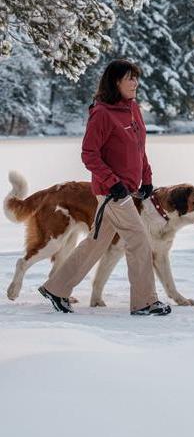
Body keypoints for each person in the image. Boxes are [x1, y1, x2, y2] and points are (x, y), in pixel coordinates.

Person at [39, 59, 171, 316]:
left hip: (127, 189)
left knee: (97, 242)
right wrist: (113, 183)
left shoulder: (133, 109)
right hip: (113, 193)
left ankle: (57, 287)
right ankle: (144, 302)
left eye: (136, 77)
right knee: (139, 239)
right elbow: (89, 154)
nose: (135, 83)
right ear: (115, 82)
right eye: (129, 78)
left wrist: (147, 178)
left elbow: (139, 148)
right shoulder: (102, 113)